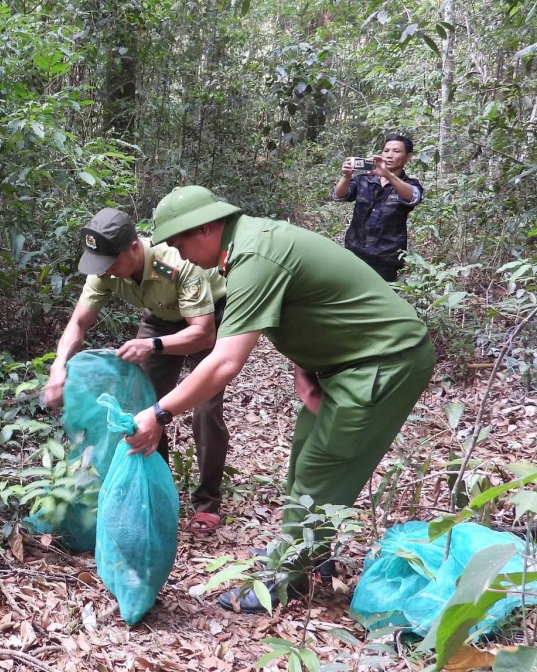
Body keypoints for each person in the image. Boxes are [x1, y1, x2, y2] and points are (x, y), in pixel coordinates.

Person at [128, 186, 434, 613]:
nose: (177, 252)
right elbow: (308, 304)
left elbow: (223, 362)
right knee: (304, 461)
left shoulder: (254, 256)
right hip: (344, 365)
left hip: (384, 360)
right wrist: (306, 366)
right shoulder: (248, 245)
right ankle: (310, 554)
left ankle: (283, 578)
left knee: (323, 468)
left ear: (207, 228)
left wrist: (160, 412)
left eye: (180, 242)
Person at [43, 208, 231, 533]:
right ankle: (155, 492)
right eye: (102, 265)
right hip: (161, 318)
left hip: (208, 318)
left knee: (206, 409)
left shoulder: (176, 263)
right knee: (144, 407)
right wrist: (58, 368)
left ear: (133, 248)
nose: (109, 273)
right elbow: (79, 322)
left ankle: (207, 502)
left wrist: (152, 345)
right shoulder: (104, 269)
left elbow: (203, 333)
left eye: (113, 263)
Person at [331, 134, 424, 282]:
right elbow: (339, 196)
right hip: (354, 252)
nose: (389, 155)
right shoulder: (365, 179)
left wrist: (388, 175)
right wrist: (346, 176)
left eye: (396, 151)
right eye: (386, 150)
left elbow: (413, 197)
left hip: (385, 260)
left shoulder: (410, 184)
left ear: (408, 157)